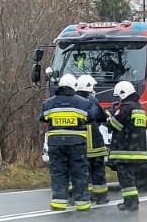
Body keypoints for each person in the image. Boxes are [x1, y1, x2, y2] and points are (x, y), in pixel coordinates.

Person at [41, 73, 93, 212]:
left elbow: (43, 118)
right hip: (77, 143)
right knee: (79, 171)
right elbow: (91, 118)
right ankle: (82, 203)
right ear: (74, 86)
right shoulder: (83, 102)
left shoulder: (48, 103)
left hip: (56, 143)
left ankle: (59, 202)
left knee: (58, 171)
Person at [106, 80, 147, 212]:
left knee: (125, 178)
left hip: (124, 150)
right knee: (131, 177)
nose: (118, 100)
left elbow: (115, 125)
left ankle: (130, 203)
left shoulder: (126, 107)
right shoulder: (140, 108)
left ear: (123, 94)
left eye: (119, 97)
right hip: (137, 150)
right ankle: (132, 201)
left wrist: (110, 115)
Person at [76, 74, 109, 206]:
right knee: (98, 171)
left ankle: (83, 195)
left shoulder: (74, 100)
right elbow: (101, 117)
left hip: (79, 144)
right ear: (89, 87)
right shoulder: (92, 101)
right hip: (94, 143)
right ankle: (101, 197)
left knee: (82, 171)